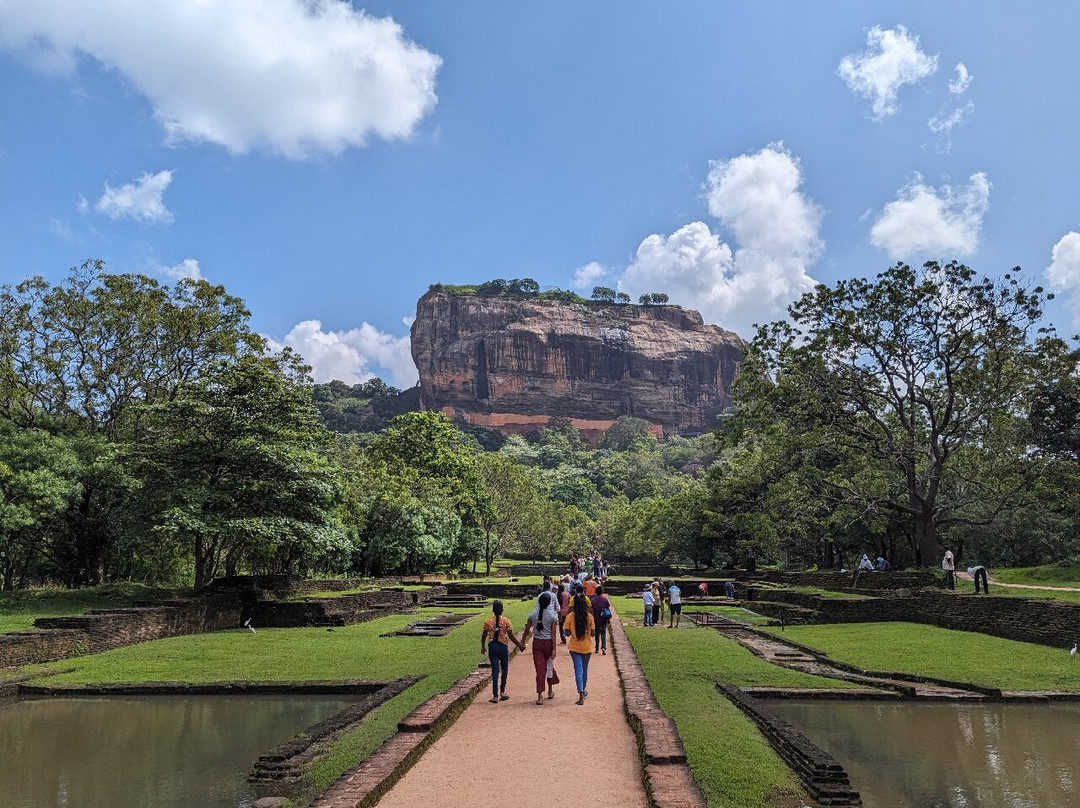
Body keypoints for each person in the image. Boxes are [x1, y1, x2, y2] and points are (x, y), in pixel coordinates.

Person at [480, 600, 525, 703]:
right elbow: (511, 636)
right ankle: (502, 692)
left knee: (495, 670)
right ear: (502, 610)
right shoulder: (506, 621)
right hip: (503, 646)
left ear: (493, 610)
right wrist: (520, 646)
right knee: (504, 669)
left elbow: (483, 635)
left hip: (492, 646)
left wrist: (482, 646)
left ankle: (495, 696)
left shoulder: (488, 621)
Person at [521, 592, 560, 703]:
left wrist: (522, 642)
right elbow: (553, 633)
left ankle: (540, 696)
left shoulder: (533, 614)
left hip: (537, 643)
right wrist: (554, 649)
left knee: (539, 669)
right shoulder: (552, 616)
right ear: (549, 603)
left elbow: (527, 629)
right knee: (549, 667)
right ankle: (550, 690)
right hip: (548, 643)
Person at [563, 590, 595, 705]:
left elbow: (566, 633)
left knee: (578, 670)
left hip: (575, 647)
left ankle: (581, 692)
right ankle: (583, 689)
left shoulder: (570, 617)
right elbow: (592, 633)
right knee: (584, 669)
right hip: (586, 647)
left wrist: (572, 630)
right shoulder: (590, 617)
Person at [592, 585, 611, 654]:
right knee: (603, 632)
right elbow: (607, 607)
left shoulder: (593, 600)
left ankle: (597, 648)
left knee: (597, 633)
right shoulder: (604, 599)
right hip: (603, 617)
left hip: (596, 618)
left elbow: (592, 609)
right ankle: (603, 647)